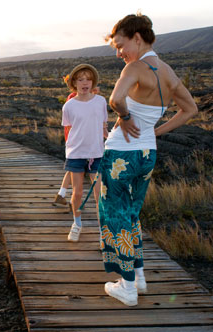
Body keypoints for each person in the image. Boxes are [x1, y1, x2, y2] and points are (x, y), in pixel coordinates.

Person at [100, 13, 198, 307]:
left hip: (121, 154)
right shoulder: (167, 71)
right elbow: (190, 109)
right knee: (131, 215)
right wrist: (155, 131)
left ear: (137, 38)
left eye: (121, 45)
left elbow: (115, 100)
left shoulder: (135, 67)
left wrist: (125, 116)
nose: (119, 53)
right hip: (146, 154)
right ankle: (138, 278)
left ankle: (127, 288)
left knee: (116, 216)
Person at [61, 64, 108, 242]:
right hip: (76, 154)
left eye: (88, 79)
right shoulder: (69, 106)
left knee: (100, 194)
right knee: (78, 192)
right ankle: (77, 223)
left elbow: (103, 126)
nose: (85, 82)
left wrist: (110, 138)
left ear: (93, 81)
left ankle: (103, 230)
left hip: (96, 154)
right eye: (80, 79)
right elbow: (69, 130)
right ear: (74, 83)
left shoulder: (101, 101)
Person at [54, 87, 101, 206]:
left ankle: (62, 195)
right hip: (77, 141)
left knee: (72, 169)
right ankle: (68, 198)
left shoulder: (87, 98)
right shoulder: (73, 98)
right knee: (74, 169)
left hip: (77, 141)